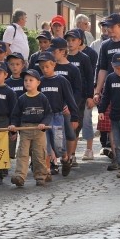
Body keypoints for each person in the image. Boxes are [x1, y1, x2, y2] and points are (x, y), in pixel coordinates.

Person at [37, 51, 79, 179]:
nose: (45, 69)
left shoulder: (61, 80)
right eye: (42, 67)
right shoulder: (40, 82)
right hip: (45, 118)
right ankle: (47, 170)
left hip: (58, 116)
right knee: (46, 145)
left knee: (59, 144)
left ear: (54, 65)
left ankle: (65, 159)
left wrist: (75, 116)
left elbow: (70, 98)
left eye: (47, 67)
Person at [8, 69, 53, 187]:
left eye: (31, 80)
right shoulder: (22, 99)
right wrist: (13, 125)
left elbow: (49, 113)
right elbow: (16, 115)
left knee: (39, 154)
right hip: (25, 129)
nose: (28, 82)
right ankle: (20, 176)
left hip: (39, 130)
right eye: (26, 80)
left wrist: (44, 123)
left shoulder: (42, 98)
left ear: (38, 82)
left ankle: (41, 176)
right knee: (22, 153)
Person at [50, 36, 83, 167]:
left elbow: (78, 90)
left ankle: (68, 159)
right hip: (53, 107)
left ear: (63, 51)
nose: (51, 54)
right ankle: (54, 160)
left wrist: (71, 106)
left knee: (70, 133)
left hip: (67, 108)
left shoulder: (73, 69)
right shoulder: (50, 67)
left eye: (54, 51)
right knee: (53, 134)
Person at [66, 28, 96, 161]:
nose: (70, 43)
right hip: (63, 97)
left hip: (80, 98)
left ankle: (71, 155)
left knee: (75, 126)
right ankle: (63, 155)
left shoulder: (84, 58)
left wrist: (90, 96)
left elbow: (90, 78)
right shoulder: (62, 57)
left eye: (73, 40)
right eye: (68, 40)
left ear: (80, 42)